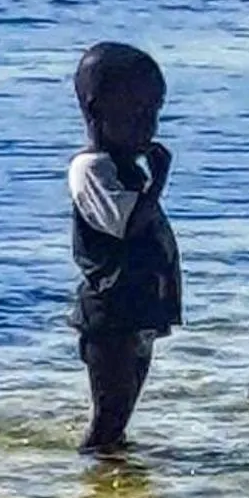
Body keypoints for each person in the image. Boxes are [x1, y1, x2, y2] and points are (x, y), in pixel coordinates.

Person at [68, 41, 183, 454]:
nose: (148, 125)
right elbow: (128, 227)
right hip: (109, 318)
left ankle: (116, 489)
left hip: (136, 312)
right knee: (109, 414)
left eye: (155, 112)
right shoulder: (92, 168)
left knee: (124, 411)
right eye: (135, 113)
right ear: (98, 111)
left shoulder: (125, 167)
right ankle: (96, 480)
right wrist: (158, 182)